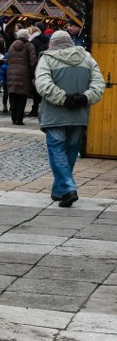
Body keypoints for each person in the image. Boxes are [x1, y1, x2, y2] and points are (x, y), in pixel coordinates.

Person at [34, 30, 104, 208]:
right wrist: (84, 98)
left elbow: (43, 84)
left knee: (57, 151)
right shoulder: (87, 58)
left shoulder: (47, 59)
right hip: (79, 115)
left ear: (52, 43)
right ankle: (59, 191)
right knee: (70, 153)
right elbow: (98, 84)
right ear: (70, 42)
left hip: (54, 115)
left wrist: (63, 99)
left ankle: (69, 188)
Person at [5, 28, 38, 126]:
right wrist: (32, 73)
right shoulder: (29, 46)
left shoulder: (12, 46)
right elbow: (33, 61)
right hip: (24, 74)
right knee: (22, 97)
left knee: (13, 95)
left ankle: (13, 117)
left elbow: (8, 59)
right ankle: (19, 119)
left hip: (12, 73)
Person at [27, 22, 50, 117]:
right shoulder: (46, 40)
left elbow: (32, 56)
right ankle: (39, 108)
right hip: (45, 66)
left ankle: (35, 109)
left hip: (36, 68)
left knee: (36, 90)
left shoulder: (33, 41)